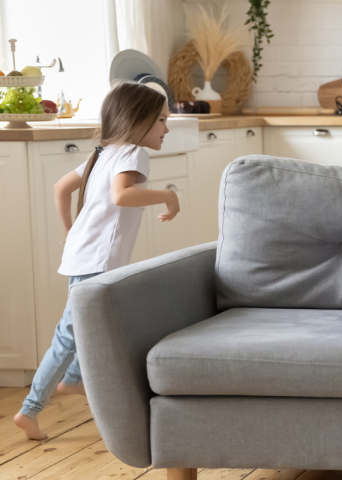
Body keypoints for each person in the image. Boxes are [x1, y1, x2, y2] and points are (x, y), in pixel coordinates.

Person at [12, 81, 178, 440]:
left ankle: (73, 380)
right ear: (139, 121)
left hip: (86, 254)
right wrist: (168, 196)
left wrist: (71, 229)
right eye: (162, 120)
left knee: (93, 324)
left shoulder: (102, 153)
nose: (168, 127)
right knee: (69, 333)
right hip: (97, 260)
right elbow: (122, 196)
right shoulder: (134, 153)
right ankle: (30, 409)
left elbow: (61, 188)